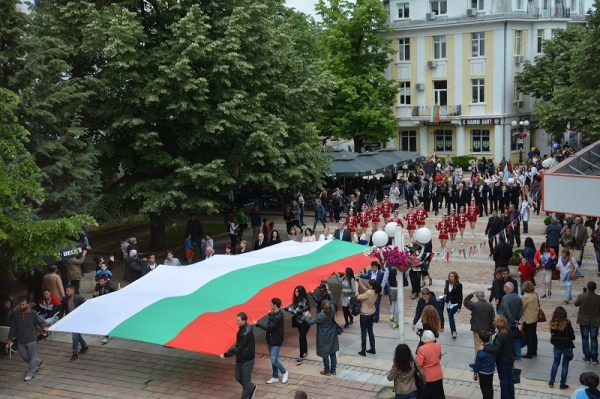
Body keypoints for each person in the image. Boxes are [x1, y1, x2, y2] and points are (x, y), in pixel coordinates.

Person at [6, 297, 48, 381]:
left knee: (32, 357)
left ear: (27, 305)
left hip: (31, 338)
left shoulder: (33, 313)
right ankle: (37, 361)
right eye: (20, 305)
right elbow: (13, 327)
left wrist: (44, 327)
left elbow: (40, 321)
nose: (21, 306)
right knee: (24, 356)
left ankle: (31, 372)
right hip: (21, 339)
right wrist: (10, 339)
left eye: (23, 304)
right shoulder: (16, 315)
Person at [220, 312, 257, 399]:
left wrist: (226, 355)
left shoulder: (245, 333)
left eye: (238, 320)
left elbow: (237, 348)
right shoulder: (244, 328)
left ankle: (248, 392)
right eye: (236, 319)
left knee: (246, 383)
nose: (236, 321)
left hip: (247, 360)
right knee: (238, 377)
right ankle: (252, 387)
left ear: (244, 321)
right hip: (241, 358)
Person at [253, 298, 288, 384]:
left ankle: (284, 372)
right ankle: (275, 376)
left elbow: (269, 327)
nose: (270, 305)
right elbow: (273, 316)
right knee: (273, 359)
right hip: (271, 340)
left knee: (274, 360)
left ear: (274, 305)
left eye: (271, 304)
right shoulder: (277, 313)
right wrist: (270, 314)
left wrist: (257, 324)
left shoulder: (278, 316)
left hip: (275, 341)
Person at [482, 315, 515, 399]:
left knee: (503, 380)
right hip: (510, 358)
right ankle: (511, 396)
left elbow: (496, 349)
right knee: (510, 378)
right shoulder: (509, 331)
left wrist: (484, 347)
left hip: (502, 360)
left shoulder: (499, 335)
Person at [303, 299, 339, 376]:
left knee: (324, 353)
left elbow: (310, 322)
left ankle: (327, 370)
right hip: (332, 334)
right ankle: (333, 369)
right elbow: (332, 299)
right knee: (332, 352)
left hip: (323, 336)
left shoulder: (321, 315)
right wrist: (329, 292)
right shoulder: (332, 310)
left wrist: (306, 316)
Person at [463, 290, 495, 366]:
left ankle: (478, 362)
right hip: (487, 330)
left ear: (477, 297)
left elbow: (465, 302)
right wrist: (492, 330)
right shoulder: (489, 305)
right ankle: (489, 361)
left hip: (477, 330)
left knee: (478, 346)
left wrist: (471, 294)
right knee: (488, 346)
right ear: (484, 296)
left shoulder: (474, 305)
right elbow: (493, 318)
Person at [549, 306, 575, 390]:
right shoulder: (567, 323)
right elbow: (572, 336)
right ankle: (562, 384)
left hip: (557, 345)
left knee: (555, 363)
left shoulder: (553, 322)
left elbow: (552, 334)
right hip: (567, 346)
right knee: (565, 365)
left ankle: (551, 381)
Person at [60, 285, 88, 361]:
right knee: (77, 334)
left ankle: (75, 353)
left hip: (78, 319)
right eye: (66, 291)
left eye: (68, 291)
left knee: (75, 337)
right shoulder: (65, 299)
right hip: (70, 319)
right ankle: (84, 346)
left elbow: (86, 306)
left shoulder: (79, 298)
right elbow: (62, 309)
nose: (66, 292)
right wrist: (61, 319)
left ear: (72, 291)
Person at [575, 281, 600, 364]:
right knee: (594, 339)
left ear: (587, 287)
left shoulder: (581, 296)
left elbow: (575, 304)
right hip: (595, 321)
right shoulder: (598, 298)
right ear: (595, 288)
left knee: (585, 338)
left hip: (583, 320)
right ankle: (594, 358)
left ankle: (587, 357)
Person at [498, 281, 524, 361]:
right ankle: (518, 356)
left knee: (506, 339)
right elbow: (521, 309)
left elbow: (507, 311)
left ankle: (508, 355)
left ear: (507, 288)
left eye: (504, 286)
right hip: (515, 322)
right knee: (516, 339)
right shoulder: (517, 296)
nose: (503, 287)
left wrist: (513, 321)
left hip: (507, 322)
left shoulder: (505, 298)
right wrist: (517, 320)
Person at [416, 330, 445, 399]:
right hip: (438, 374)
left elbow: (419, 364)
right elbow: (439, 358)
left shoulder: (421, 349)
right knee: (438, 394)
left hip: (428, 376)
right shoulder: (438, 345)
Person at [285, 286, 311, 363]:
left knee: (301, 337)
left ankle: (301, 355)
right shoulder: (298, 300)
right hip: (300, 321)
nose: (295, 293)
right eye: (295, 291)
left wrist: (287, 309)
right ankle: (305, 351)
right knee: (303, 337)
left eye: (297, 291)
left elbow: (296, 311)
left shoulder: (302, 301)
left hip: (305, 321)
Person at [355, 279, 381, 356]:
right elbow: (366, 289)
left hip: (365, 314)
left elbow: (358, 297)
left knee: (363, 333)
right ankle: (373, 348)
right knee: (370, 331)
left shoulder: (369, 293)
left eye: (369, 285)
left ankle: (363, 350)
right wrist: (359, 282)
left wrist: (356, 288)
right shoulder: (375, 291)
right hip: (372, 312)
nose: (367, 286)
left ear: (371, 286)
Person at [473, 331, 496, 399]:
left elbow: (478, 363)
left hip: (483, 372)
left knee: (484, 388)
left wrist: (475, 372)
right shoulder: (493, 347)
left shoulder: (481, 351)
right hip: (491, 370)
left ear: (481, 340)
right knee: (489, 386)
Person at [520, 281, 540, 358]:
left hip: (528, 318)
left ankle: (529, 353)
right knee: (534, 334)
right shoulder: (535, 294)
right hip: (534, 317)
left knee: (529, 336)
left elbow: (522, 307)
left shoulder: (526, 297)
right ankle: (534, 350)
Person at [441, 271, 463, 339]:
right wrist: (445, 294)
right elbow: (446, 289)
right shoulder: (447, 282)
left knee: (450, 315)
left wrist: (459, 306)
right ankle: (453, 331)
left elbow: (460, 296)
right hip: (448, 303)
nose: (451, 278)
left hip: (455, 303)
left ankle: (454, 331)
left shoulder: (459, 285)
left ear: (455, 277)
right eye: (450, 276)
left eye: (452, 276)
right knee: (451, 317)